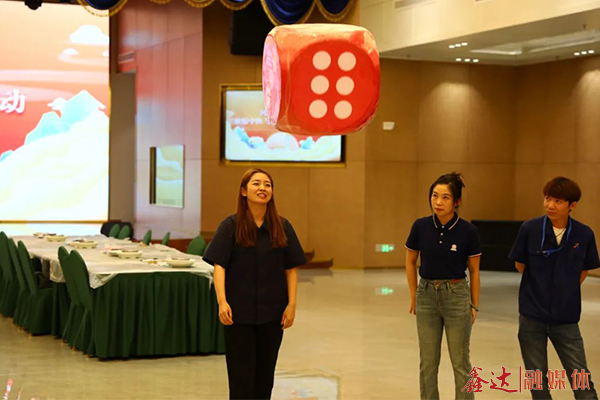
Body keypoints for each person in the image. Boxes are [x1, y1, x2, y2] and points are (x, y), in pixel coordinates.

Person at [203, 168, 306, 400]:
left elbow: (291, 267)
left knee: (265, 376)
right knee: (241, 376)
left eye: (267, 184)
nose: (263, 188)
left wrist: (292, 305)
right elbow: (219, 265)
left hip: (272, 314)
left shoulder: (282, 226)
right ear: (243, 191)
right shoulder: (230, 226)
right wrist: (222, 302)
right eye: (256, 183)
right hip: (238, 314)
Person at [509, 177, 599, 399]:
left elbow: (584, 270)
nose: (550, 205)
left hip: (566, 317)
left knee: (581, 378)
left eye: (558, 201)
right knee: (537, 381)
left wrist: (564, 289)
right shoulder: (530, 229)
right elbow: (520, 264)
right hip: (531, 315)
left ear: (572, 205)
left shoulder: (584, 234)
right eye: (548, 199)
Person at [405, 172, 481, 400]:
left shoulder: (468, 231)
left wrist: (474, 305)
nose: (438, 202)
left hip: (456, 295)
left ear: (457, 201)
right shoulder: (420, 226)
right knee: (428, 362)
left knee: (460, 362)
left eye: (445, 197)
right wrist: (414, 296)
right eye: (435, 196)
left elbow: (474, 270)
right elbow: (410, 262)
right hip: (426, 295)